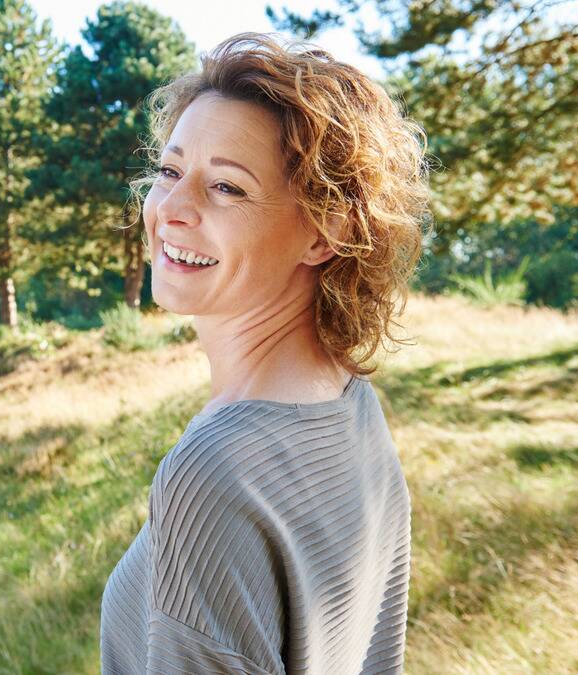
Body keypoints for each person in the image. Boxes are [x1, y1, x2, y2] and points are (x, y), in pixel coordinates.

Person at [99, 31, 432, 674]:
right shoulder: (351, 404)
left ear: (323, 230)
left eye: (227, 188)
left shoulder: (213, 472)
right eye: (169, 171)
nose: (171, 208)